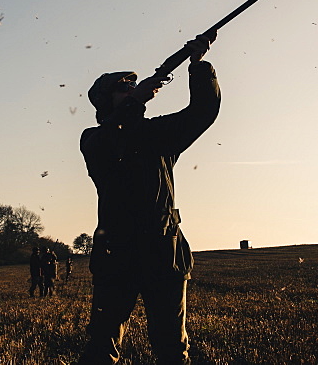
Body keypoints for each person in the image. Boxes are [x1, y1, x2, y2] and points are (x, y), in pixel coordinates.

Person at [77, 34, 220, 365]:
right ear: (105, 101)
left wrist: (198, 67)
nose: (131, 89)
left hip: (163, 253)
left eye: (133, 85)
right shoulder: (95, 139)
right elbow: (113, 138)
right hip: (117, 254)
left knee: (172, 350)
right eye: (123, 88)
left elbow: (203, 112)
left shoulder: (156, 135)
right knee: (101, 349)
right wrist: (135, 102)